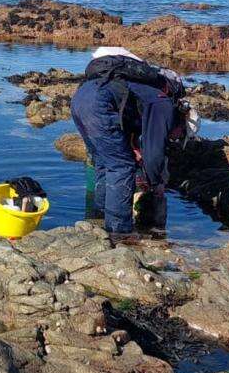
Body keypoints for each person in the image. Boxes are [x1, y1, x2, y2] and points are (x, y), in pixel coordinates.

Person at [70, 46, 195, 243]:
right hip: (100, 105)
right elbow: (154, 152)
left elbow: (128, 123)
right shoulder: (163, 104)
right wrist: (156, 184)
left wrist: (134, 148)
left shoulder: (141, 88)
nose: (177, 137)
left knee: (104, 161)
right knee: (122, 166)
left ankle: (100, 216)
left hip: (80, 99)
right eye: (180, 134)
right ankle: (119, 232)